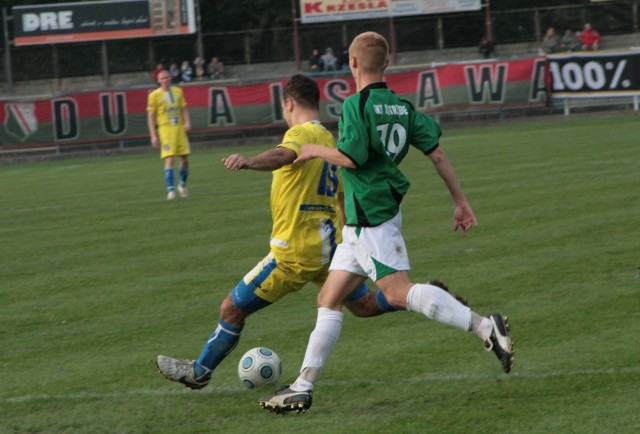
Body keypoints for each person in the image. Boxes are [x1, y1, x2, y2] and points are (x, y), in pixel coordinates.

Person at [259, 31, 514, 414]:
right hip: (372, 214)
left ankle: (484, 327)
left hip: (370, 216)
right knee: (329, 298)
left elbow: (353, 158)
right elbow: (438, 154)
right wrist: (460, 202)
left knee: (398, 292)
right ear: (387, 64)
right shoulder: (401, 106)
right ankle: (302, 385)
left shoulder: (355, 106)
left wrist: (313, 150)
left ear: (354, 64)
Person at [156, 74, 396, 390]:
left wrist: (249, 161)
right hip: (330, 248)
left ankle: (199, 372)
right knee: (362, 305)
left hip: (294, 253)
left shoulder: (300, 133)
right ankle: (415, 296)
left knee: (231, 308)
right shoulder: (333, 142)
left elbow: (284, 155)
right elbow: (341, 197)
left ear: (289, 102)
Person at [147, 69, 192, 200]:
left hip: (179, 128)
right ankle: (171, 190)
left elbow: (184, 109)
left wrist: (187, 122)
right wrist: (153, 135)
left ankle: (182, 185)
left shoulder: (178, 91)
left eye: (167, 77)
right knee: (170, 158)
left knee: (184, 159)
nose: (165, 80)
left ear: (171, 78)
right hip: (165, 129)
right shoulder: (154, 96)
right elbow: (151, 116)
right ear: (158, 80)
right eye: (162, 78)